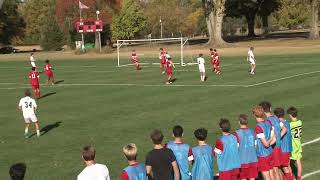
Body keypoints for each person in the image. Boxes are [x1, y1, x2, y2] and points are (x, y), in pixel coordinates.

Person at [259, 101, 287, 180]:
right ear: (270, 108)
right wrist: (278, 138)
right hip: (279, 146)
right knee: (278, 169)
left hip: (274, 148)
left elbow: (272, 135)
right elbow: (284, 129)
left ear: (263, 111)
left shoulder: (268, 121)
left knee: (275, 170)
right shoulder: (275, 118)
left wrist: (271, 142)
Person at [233, 114, 258, 180]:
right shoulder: (253, 131)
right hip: (253, 159)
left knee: (243, 178)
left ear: (239, 122)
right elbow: (256, 146)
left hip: (242, 161)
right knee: (252, 178)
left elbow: (236, 149)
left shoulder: (236, 133)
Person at [253, 105, 275, 180]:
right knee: (272, 175)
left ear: (254, 115)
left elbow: (265, 144)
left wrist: (268, 143)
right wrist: (270, 141)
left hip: (263, 155)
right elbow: (273, 137)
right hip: (270, 152)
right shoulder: (268, 122)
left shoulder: (258, 127)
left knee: (267, 177)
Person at [274, 107, 294, 180]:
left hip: (283, 148)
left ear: (276, 116)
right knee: (287, 166)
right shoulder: (287, 122)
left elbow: (279, 135)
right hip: (288, 147)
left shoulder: (280, 124)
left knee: (284, 167)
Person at [287, 106, 302, 180]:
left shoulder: (290, 125)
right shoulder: (300, 122)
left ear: (290, 115)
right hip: (298, 144)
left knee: (287, 163)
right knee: (298, 162)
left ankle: (289, 177)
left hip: (292, 146)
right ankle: (299, 178)